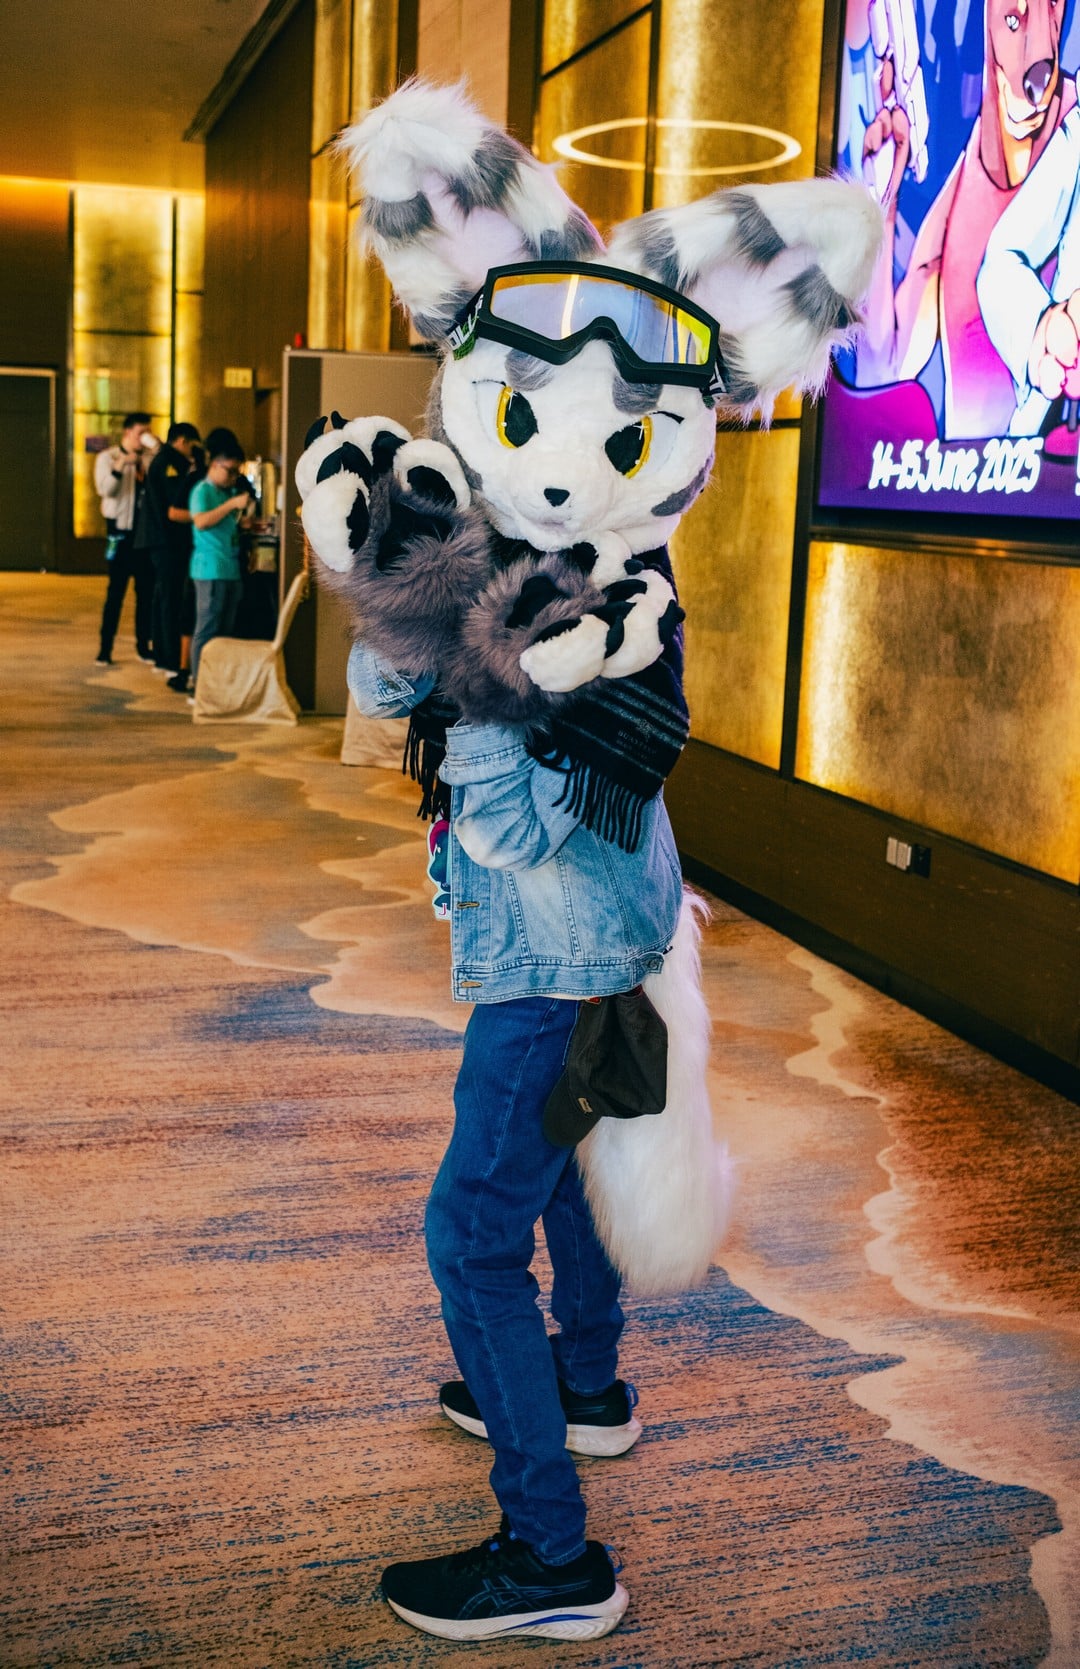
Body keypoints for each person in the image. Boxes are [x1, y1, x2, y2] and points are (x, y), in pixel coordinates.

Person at [187, 429, 254, 698]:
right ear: (214, 465)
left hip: (230, 567)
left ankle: (215, 685)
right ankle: (198, 685)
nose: (233, 476)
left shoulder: (226, 492)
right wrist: (231, 505)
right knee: (207, 628)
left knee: (225, 632)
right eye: (230, 471)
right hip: (210, 569)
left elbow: (227, 525)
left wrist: (243, 521)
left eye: (237, 472)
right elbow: (201, 521)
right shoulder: (202, 491)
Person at [138, 421, 202, 682]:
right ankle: (168, 657)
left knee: (162, 597)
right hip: (166, 541)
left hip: (159, 540)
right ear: (182, 441)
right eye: (192, 446)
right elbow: (174, 502)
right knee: (169, 598)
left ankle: (162, 655)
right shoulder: (169, 463)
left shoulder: (165, 460)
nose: (193, 452)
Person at [94, 411, 157, 665]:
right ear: (128, 432)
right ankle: (105, 649)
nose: (145, 437)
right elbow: (106, 490)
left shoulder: (150, 459)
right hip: (118, 534)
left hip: (143, 536)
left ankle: (143, 646)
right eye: (141, 432)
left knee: (145, 594)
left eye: (148, 432)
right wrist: (122, 464)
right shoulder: (107, 457)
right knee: (115, 592)